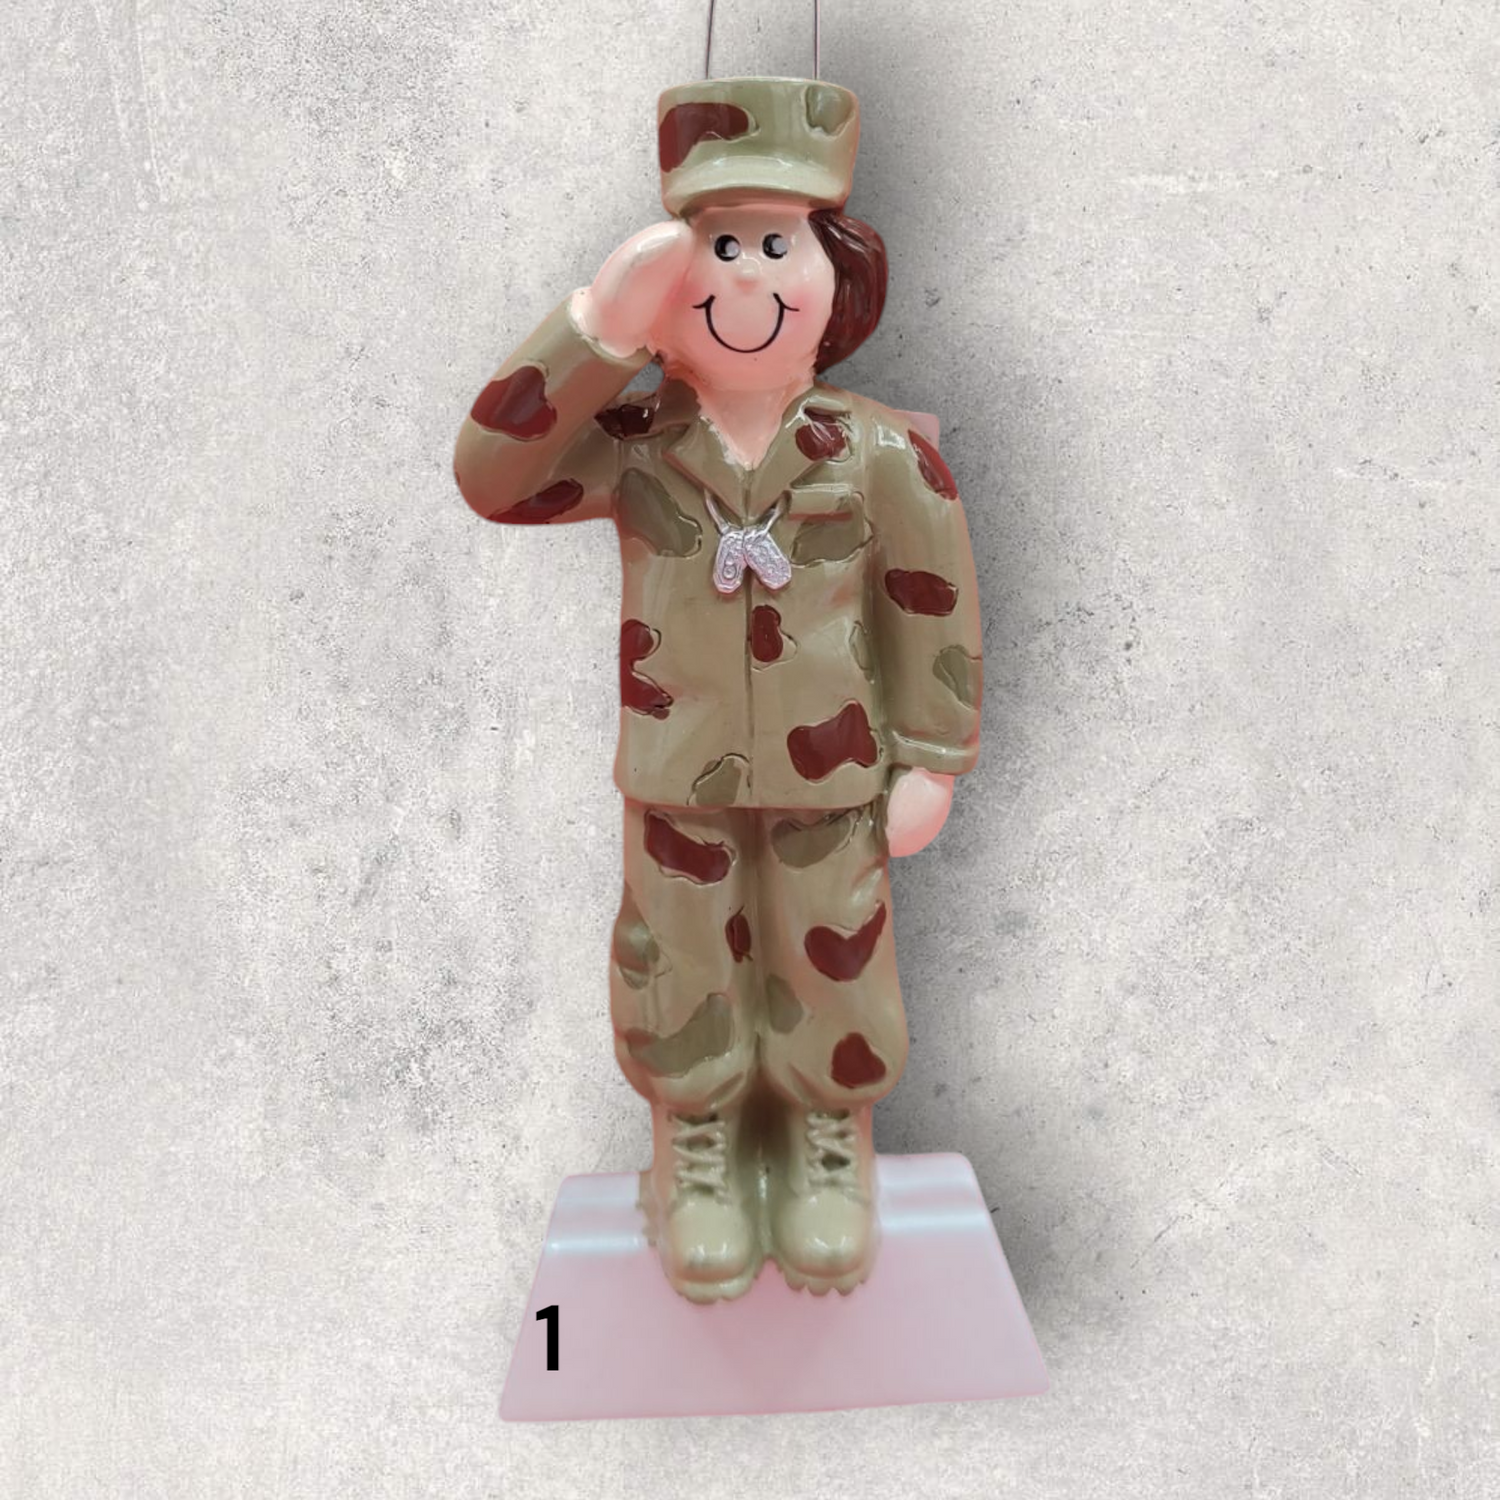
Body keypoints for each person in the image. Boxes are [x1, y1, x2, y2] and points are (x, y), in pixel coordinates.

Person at [454, 77, 983, 1300]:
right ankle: (694, 1147)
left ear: (839, 272)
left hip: (830, 777)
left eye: (776, 246)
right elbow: (493, 476)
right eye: (717, 247)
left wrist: (933, 756)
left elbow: (934, 607)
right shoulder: (640, 447)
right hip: (679, 770)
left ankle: (825, 1137)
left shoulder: (881, 454)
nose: (746, 281)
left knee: (833, 949)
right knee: (679, 955)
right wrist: (594, 330)